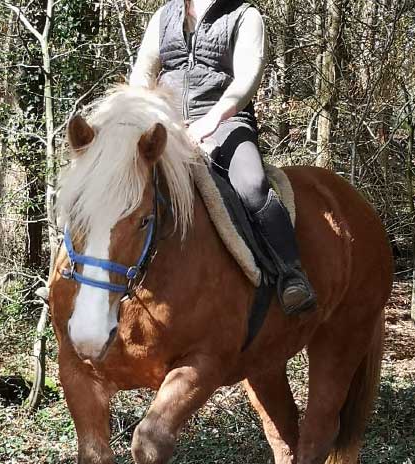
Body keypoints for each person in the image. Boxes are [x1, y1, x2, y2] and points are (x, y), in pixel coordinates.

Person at [130, 0, 316, 315]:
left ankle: (290, 274)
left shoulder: (245, 16)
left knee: (252, 184)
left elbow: (247, 79)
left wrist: (212, 119)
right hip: (166, 125)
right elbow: (143, 74)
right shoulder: (164, 16)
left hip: (226, 123)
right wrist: (144, 116)